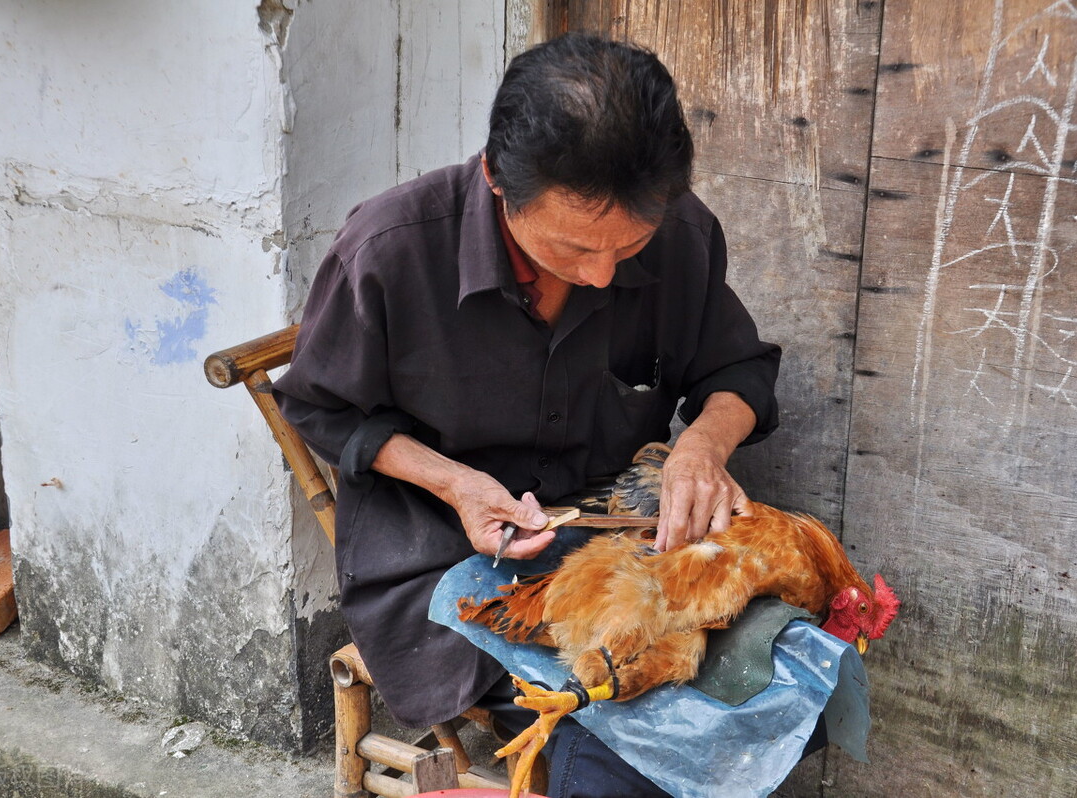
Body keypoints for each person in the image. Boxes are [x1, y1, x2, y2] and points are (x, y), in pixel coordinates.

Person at [273, 33, 782, 797]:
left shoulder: (682, 232)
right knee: (619, 710)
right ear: (496, 180)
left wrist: (702, 446)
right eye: (574, 249)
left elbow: (737, 369)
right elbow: (319, 408)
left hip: (614, 534)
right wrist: (453, 483)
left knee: (774, 663)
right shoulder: (389, 251)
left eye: (629, 246)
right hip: (442, 553)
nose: (603, 274)